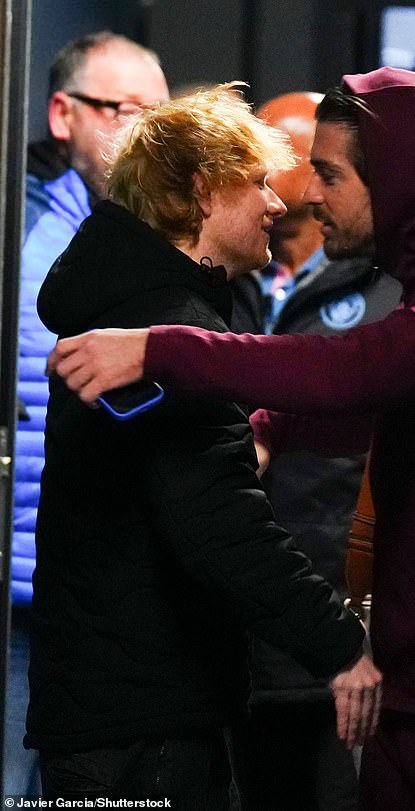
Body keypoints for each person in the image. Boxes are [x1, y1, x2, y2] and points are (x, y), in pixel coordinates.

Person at [46, 67, 415, 810]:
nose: (300, 198)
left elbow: (364, 372)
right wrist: (269, 422)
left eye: (329, 175)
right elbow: (374, 411)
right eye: (268, 181)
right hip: (403, 690)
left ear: (399, 183)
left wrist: (163, 349)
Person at [27, 86, 381, 808]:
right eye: (255, 183)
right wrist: (341, 644)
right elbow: (223, 526)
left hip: (107, 712)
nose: (278, 204)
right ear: (199, 189)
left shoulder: (125, 305)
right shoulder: (169, 333)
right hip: (144, 725)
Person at [229, 92, 401, 811]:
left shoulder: (387, 288)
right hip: (234, 618)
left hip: (337, 622)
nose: (254, 175)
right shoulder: (225, 272)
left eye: (271, 159)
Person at [9, 31, 169, 795]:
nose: (153, 138)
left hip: (107, 599)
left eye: (163, 117)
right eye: (130, 112)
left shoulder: (170, 239)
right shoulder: (17, 226)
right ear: (63, 112)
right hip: (17, 598)